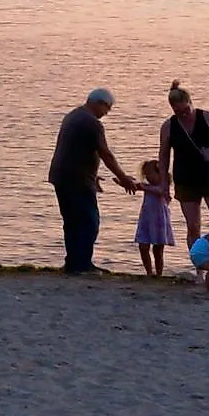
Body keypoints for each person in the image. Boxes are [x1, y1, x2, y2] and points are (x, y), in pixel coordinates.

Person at [47, 89, 136, 275]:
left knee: (72, 221)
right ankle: (82, 265)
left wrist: (93, 175)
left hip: (62, 175)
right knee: (89, 221)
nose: (106, 113)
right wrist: (123, 177)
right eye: (107, 108)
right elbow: (106, 154)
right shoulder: (92, 123)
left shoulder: (73, 116)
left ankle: (73, 263)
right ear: (98, 103)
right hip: (76, 179)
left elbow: (75, 148)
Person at [159, 82, 209, 244]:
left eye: (186, 110)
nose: (183, 114)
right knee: (193, 226)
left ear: (191, 102)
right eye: (177, 112)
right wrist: (164, 184)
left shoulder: (208, 118)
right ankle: (199, 266)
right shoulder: (168, 126)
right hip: (185, 180)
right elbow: (164, 157)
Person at [130, 158, 175, 278]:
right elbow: (138, 185)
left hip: (159, 220)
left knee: (158, 250)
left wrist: (142, 187)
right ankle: (149, 272)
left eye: (150, 173)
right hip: (146, 219)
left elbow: (159, 191)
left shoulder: (163, 185)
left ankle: (159, 274)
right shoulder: (147, 186)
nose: (147, 177)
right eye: (146, 174)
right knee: (143, 246)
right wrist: (124, 181)